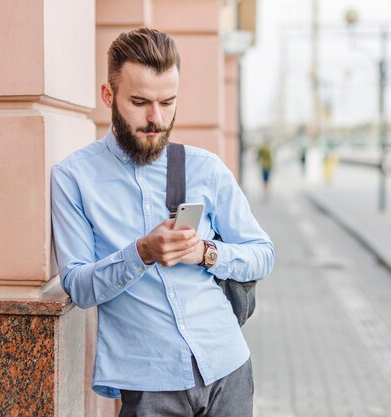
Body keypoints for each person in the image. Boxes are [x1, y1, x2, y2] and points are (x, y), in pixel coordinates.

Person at [51, 28, 274, 417]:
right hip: (148, 383)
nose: (156, 119)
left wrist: (206, 252)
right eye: (140, 102)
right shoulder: (73, 178)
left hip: (227, 365)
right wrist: (141, 253)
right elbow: (79, 286)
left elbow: (263, 254)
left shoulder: (205, 168)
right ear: (109, 97)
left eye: (168, 102)